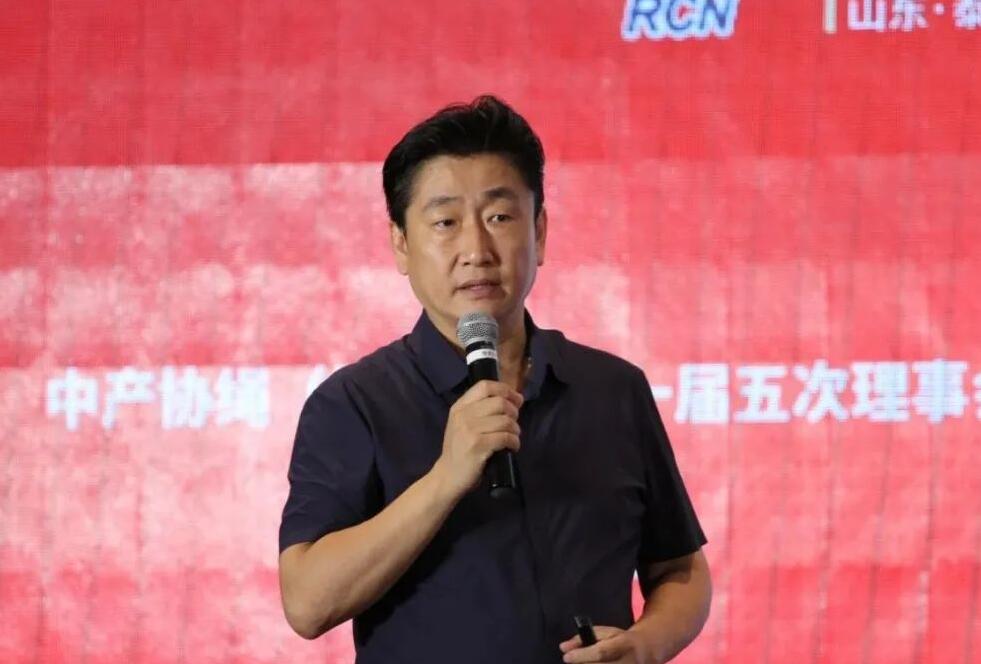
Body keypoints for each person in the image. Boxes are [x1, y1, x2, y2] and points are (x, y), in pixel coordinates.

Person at [277, 95, 711, 664]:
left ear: (540, 231)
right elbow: (307, 603)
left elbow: (680, 567)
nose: (476, 250)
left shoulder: (613, 389)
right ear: (401, 245)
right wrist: (447, 477)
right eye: (445, 223)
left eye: (500, 217)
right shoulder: (354, 403)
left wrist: (647, 643)